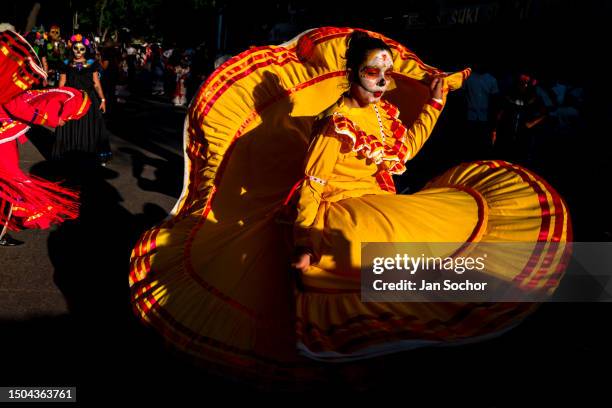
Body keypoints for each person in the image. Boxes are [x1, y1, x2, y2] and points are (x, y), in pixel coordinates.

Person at [129, 28, 571, 381]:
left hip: (379, 200)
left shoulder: (382, 114)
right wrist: (304, 238)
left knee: (433, 251)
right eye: (371, 74)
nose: (381, 83)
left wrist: (434, 104)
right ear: (351, 74)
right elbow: (312, 185)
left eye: (385, 74)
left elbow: (404, 154)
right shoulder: (335, 124)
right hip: (342, 209)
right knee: (368, 272)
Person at [0, 28, 90, 246]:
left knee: (7, 185)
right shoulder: (8, 84)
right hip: (2, 138)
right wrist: (50, 119)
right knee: (12, 181)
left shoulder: (7, 80)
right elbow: (15, 104)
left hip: (5, 134)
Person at [51, 34, 110, 165]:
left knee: (91, 126)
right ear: (71, 48)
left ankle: (91, 154)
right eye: (75, 48)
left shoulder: (92, 64)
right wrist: (59, 101)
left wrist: (103, 100)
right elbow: (62, 83)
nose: (78, 51)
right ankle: (70, 154)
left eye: (81, 49)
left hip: (89, 101)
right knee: (71, 126)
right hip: (72, 100)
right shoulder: (65, 63)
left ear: (86, 49)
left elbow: (96, 83)